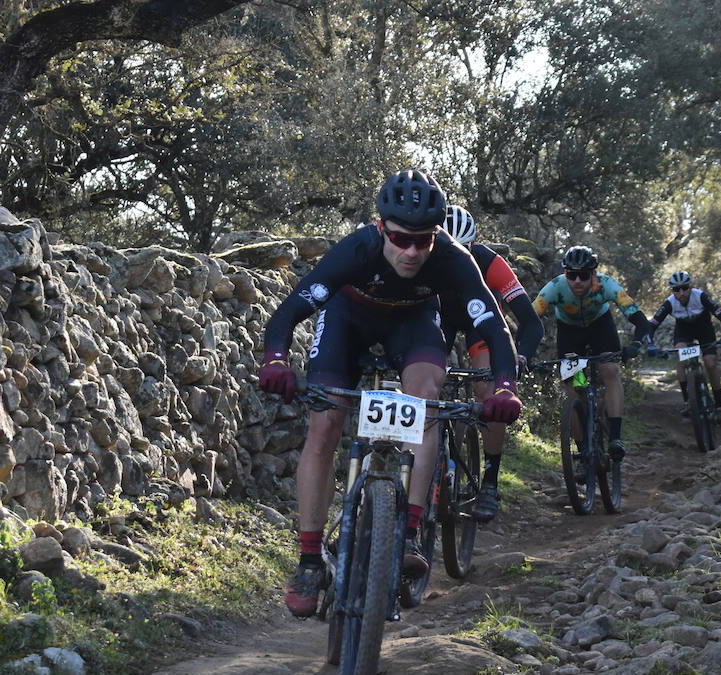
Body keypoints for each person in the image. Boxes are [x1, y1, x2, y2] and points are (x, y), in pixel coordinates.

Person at [257, 169, 523, 618]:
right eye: (401, 239)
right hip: (347, 321)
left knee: (425, 402)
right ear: (381, 228)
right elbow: (289, 313)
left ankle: (410, 532)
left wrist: (505, 387)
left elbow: (494, 326)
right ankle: (307, 561)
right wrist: (277, 360)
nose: (412, 251)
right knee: (324, 425)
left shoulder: (454, 259)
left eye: (424, 241)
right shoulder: (355, 249)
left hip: (413, 324)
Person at [439, 204, 542, 522]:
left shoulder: (491, 262)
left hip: (479, 322)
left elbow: (530, 322)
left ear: (473, 246)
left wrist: (519, 356)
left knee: (488, 389)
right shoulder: (421, 258)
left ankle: (490, 482)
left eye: (463, 249)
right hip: (439, 320)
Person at [531, 245, 654, 460]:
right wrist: (524, 353)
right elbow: (530, 321)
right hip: (570, 335)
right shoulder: (555, 287)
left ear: (593, 274)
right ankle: (582, 450)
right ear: (564, 273)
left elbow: (638, 318)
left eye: (584, 275)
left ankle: (615, 436)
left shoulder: (606, 285)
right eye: (571, 274)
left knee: (610, 370)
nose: (577, 280)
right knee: (574, 386)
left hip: (600, 329)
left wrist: (635, 343)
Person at [647, 270, 721, 419]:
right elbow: (652, 326)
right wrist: (650, 344)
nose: (681, 292)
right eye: (676, 289)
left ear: (690, 287)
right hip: (684, 331)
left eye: (685, 288)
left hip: (704, 330)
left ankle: (719, 405)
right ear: (672, 291)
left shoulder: (700, 296)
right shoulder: (669, 303)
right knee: (682, 359)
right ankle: (688, 401)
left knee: (710, 363)